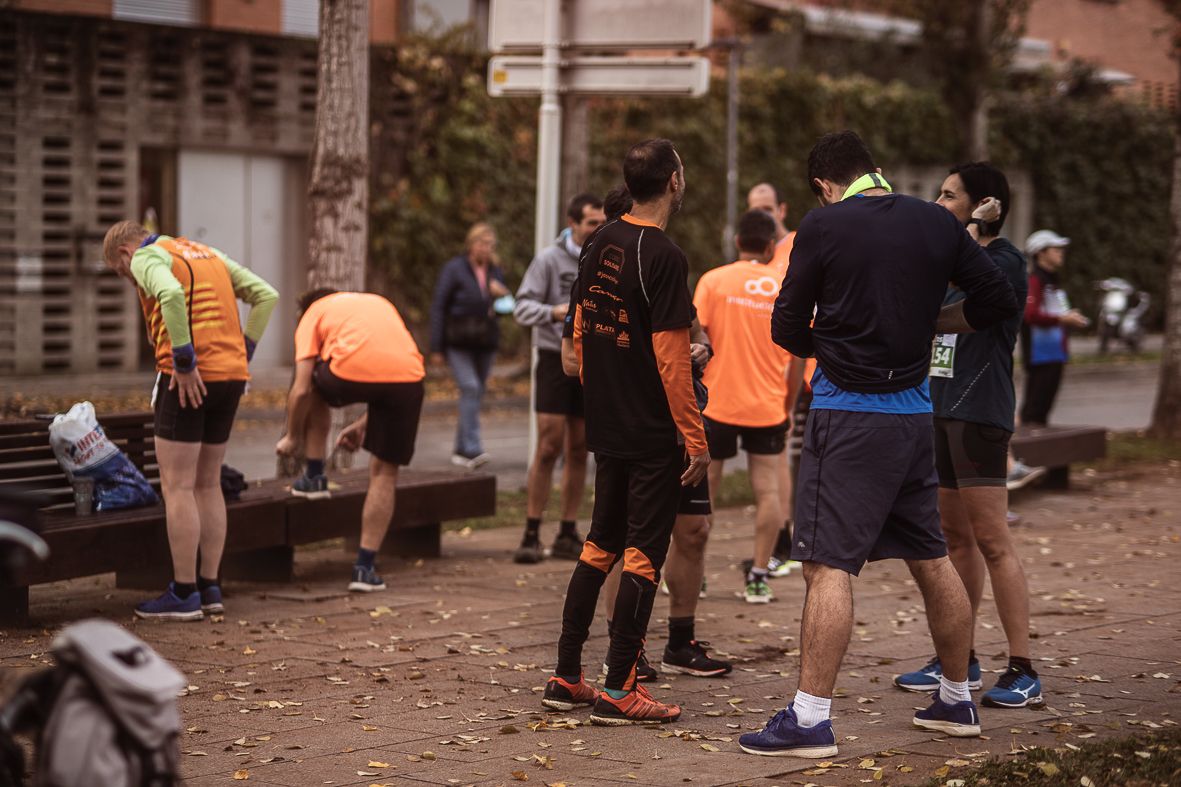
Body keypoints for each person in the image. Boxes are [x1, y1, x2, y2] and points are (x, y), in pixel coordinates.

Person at [740, 131, 1018, 758]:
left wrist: (834, 346)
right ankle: (957, 699)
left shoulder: (824, 224)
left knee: (826, 564)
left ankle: (810, 719)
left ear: (824, 186)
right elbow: (998, 298)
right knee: (932, 556)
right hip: (915, 414)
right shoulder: (936, 221)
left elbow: (787, 324)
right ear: (877, 171)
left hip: (846, 415)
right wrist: (934, 323)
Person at [543, 138, 709, 726]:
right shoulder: (663, 255)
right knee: (641, 556)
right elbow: (672, 360)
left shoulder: (598, 241)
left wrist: (603, 395)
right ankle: (619, 688)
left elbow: (581, 333)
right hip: (650, 431)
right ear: (674, 180)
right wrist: (694, 438)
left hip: (607, 423)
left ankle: (566, 677)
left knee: (598, 546)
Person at [893, 163, 1041, 708]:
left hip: (981, 413)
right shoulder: (950, 259)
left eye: (949, 195)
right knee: (953, 539)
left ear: (984, 206)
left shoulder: (1005, 260)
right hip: (938, 409)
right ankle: (960, 658)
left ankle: (1023, 668)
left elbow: (977, 306)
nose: (938, 202)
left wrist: (975, 230)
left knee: (993, 540)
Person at [101, 221, 278, 621]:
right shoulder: (207, 253)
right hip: (230, 376)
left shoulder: (147, 256)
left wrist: (183, 361)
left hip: (188, 378)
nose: (128, 279)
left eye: (120, 272)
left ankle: (183, 592)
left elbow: (169, 292)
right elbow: (266, 295)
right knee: (208, 482)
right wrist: (244, 349)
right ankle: (210, 587)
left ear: (125, 253)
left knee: (178, 485)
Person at [591, 320, 732, 683]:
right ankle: (623, 648)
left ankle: (680, 644)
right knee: (628, 538)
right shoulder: (604, 289)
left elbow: (697, 330)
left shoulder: (673, 289)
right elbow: (573, 361)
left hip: (684, 425)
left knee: (694, 531)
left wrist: (702, 348)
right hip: (633, 428)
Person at [276, 289, 426, 592]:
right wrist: (363, 424)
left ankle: (314, 475)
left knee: (312, 384)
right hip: (409, 379)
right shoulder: (379, 301)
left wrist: (292, 437)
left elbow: (301, 390)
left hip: (349, 374)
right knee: (385, 474)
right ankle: (364, 569)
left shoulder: (312, 313)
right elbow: (388, 371)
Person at [693, 209, 793, 604]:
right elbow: (797, 351)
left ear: (738, 242)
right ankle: (758, 576)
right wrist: (788, 401)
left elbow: (694, 337)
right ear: (770, 247)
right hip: (767, 405)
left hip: (717, 402)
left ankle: (694, 573)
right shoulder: (784, 286)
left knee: (705, 490)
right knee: (768, 491)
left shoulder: (713, 280)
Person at [511, 194, 605, 564]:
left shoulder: (606, 257)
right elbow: (521, 307)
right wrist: (555, 312)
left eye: (602, 222)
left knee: (580, 447)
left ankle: (567, 530)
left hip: (590, 361)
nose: (597, 229)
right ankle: (531, 530)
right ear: (573, 223)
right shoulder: (549, 260)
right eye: (591, 223)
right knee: (549, 444)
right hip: (554, 358)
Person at [747, 182, 804, 577]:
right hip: (767, 370)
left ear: (781, 210)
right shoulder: (761, 256)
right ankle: (783, 540)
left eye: (767, 208)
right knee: (781, 457)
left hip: (799, 368)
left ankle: (789, 542)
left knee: (787, 456)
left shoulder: (797, 245)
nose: (762, 214)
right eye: (755, 209)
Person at [429, 223, 511, 469]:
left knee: (475, 393)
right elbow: (439, 306)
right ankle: (473, 447)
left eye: (490, 245)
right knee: (470, 387)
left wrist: (501, 294)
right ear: (471, 243)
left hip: (485, 341)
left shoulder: (495, 270)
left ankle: (461, 448)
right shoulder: (455, 268)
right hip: (459, 340)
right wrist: (436, 347)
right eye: (481, 243)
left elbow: (506, 308)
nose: (486, 249)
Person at [1020, 230, 1088, 427]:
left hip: (1054, 352)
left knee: (1043, 408)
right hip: (1041, 354)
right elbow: (1030, 314)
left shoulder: (1052, 280)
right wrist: (1063, 319)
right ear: (1040, 253)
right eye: (1055, 249)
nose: (1061, 253)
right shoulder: (1035, 280)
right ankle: (1030, 443)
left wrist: (1068, 317)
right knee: (1035, 409)